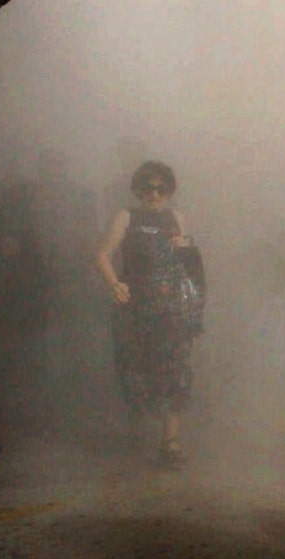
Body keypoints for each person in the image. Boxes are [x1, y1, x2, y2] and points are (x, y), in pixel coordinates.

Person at [95, 160, 201, 466]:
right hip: (136, 306)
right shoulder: (126, 216)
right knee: (136, 371)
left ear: (169, 190)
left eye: (161, 188)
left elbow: (187, 261)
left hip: (171, 306)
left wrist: (186, 246)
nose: (154, 194)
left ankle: (170, 442)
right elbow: (102, 254)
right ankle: (137, 431)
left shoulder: (176, 216)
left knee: (176, 369)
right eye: (147, 188)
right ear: (137, 189)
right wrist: (114, 283)